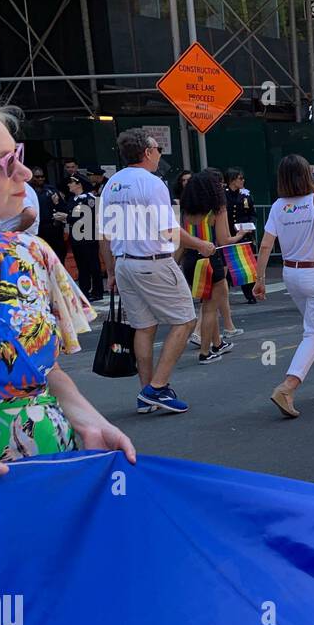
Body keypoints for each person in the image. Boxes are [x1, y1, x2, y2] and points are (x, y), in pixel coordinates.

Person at [0, 88, 133, 490]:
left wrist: (85, 415)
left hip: (51, 480)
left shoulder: (32, 255)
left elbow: (41, 369)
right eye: (3, 162)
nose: (23, 172)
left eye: (17, 154)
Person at [99, 128, 211, 414]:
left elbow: (105, 235)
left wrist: (110, 272)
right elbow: (168, 230)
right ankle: (158, 387)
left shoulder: (111, 184)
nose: (159, 155)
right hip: (152, 260)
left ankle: (146, 393)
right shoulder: (153, 183)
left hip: (124, 263)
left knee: (144, 326)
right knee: (185, 320)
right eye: (157, 150)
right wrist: (200, 244)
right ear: (147, 152)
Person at [252, 155, 314, 417]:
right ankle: (288, 386)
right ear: (307, 174)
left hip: (290, 274)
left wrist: (260, 280)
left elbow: (264, 246)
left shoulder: (277, 206)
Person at [179, 171, 243, 364]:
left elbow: (179, 240)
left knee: (206, 303)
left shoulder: (184, 209)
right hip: (210, 258)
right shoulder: (217, 208)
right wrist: (241, 236)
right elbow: (224, 239)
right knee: (210, 308)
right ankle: (205, 352)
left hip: (189, 259)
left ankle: (217, 343)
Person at [60, 172, 104, 300]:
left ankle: (97, 291)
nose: (69, 185)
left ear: (79, 185)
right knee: (82, 266)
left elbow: (85, 216)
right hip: (76, 238)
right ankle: (84, 291)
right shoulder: (72, 199)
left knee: (93, 265)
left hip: (88, 236)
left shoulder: (89, 199)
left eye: (72, 182)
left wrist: (67, 217)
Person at [223, 167, 257, 304]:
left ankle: (250, 293)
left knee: (246, 266)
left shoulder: (246, 195)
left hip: (244, 235)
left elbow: (252, 214)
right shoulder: (223, 195)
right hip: (229, 233)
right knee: (225, 266)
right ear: (232, 180)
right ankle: (221, 295)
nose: (243, 181)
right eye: (240, 178)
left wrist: (250, 225)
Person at [30, 166, 65, 261]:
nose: (40, 179)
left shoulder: (51, 190)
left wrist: (57, 203)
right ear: (31, 177)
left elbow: (62, 207)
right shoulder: (28, 191)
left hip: (52, 227)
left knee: (58, 253)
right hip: (37, 227)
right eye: (37, 177)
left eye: (42, 176)